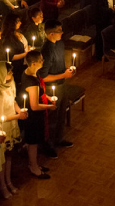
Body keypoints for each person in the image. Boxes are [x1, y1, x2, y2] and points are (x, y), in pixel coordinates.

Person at [37, 20, 76, 158]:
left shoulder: (59, 43)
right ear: (51, 33)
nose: (62, 33)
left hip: (62, 84)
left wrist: (67, 70)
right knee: (52, 118)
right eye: (59, 31)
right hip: (51, 89)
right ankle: (49, 144)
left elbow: (59, 63)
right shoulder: (46, 50)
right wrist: (63, 75)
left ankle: (59, 139)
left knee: (61, 115)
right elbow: (44, 76)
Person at [0, 62, 26, 198]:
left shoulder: (8, 86)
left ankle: (8, 182)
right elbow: (0, 118)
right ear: (1, 75)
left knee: (9, 157)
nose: (11, 75)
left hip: (11, 126)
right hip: (2, 129)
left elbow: (13, 101)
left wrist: (19, 110)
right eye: (8, 73)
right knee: (2, 159)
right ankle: (2, 185)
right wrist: (18, 115)